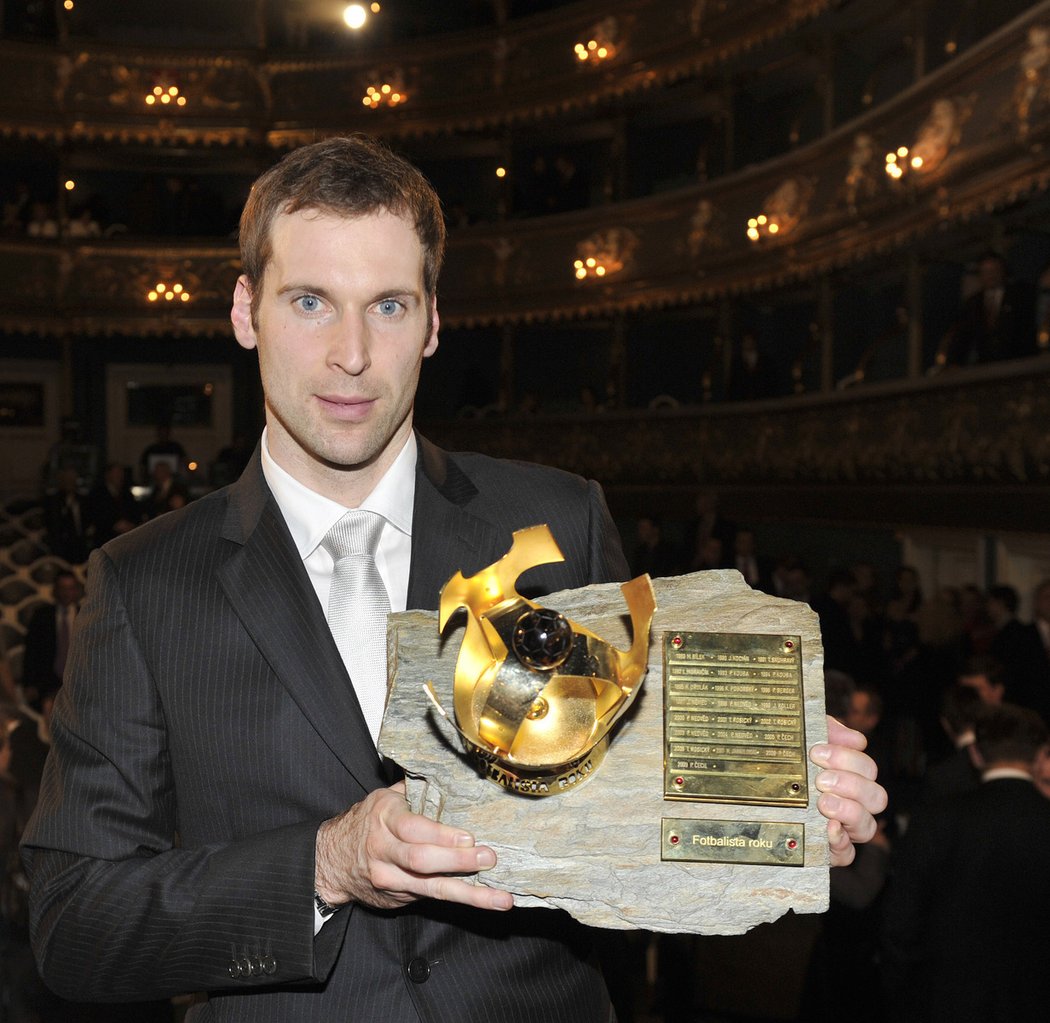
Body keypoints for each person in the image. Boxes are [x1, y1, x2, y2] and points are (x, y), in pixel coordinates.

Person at [21, 135, 885, 1022]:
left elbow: (631, 821)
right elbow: (71, 920)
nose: (352, 353)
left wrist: (771, 798)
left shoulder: (558, 524)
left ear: (433, 320)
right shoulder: (144, 581)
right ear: (246, 310)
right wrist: (325, 863)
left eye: (388, 305)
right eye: (311, 301)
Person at [882, 703, 1050, 1022]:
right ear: (1040, 756)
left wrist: (902, 989)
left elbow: (902, 917)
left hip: (946, 997)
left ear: (975, 754)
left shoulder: (936, 818)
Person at [19, 570, 82, 708]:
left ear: (76, 591)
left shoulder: (86, 615)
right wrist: (29, 684)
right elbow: (31, 651)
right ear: (55, 590)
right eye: (62, 588)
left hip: (80, 680)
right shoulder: (42, 616)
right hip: (47, 682)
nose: (66, 593)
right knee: (50, 706)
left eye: (70, 588)